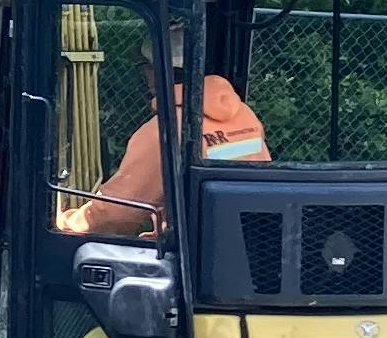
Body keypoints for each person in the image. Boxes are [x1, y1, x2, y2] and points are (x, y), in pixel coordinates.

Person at [80, 69, 266, 240]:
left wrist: (67, 228)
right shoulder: (245, 115)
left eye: (145, 66)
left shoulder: (168, 129)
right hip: (252, 238)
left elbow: (118, 213)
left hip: (196, 246)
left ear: (160, 71)